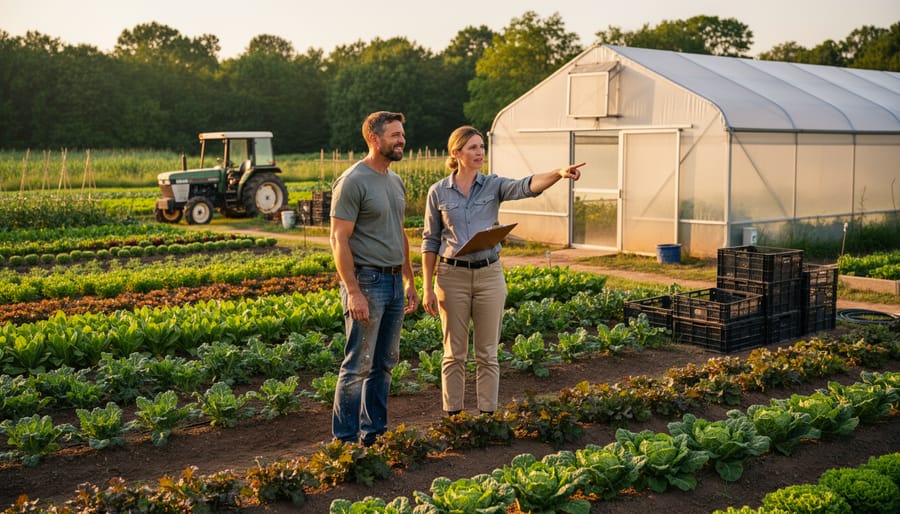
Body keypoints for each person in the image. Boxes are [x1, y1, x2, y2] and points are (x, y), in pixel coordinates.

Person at [421, 125, 584, 417]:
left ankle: (487, 416)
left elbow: (526, 186)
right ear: (456, 153)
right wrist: (426, 287)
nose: (480, 152)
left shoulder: (494, 185)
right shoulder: (438, 192)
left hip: (489, 275)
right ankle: (453, 415)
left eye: (481, 146)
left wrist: (558, 173)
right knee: (453, 353)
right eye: (472, 147)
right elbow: (430, 240)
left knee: (487, 353)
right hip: (451, 276)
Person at [330, 111, 419, 446]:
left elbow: (399, 233)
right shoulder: (353, 181)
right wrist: (353, 291)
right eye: (394, 135)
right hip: (367, 281)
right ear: (374, 138)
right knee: (357, 365)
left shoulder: (394, 181)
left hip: (394, 282)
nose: (401, 141)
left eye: (402, 135)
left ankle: (374, 434)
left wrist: (409, 280)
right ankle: (345, 442)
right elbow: (338, 239)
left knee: (384, 364)